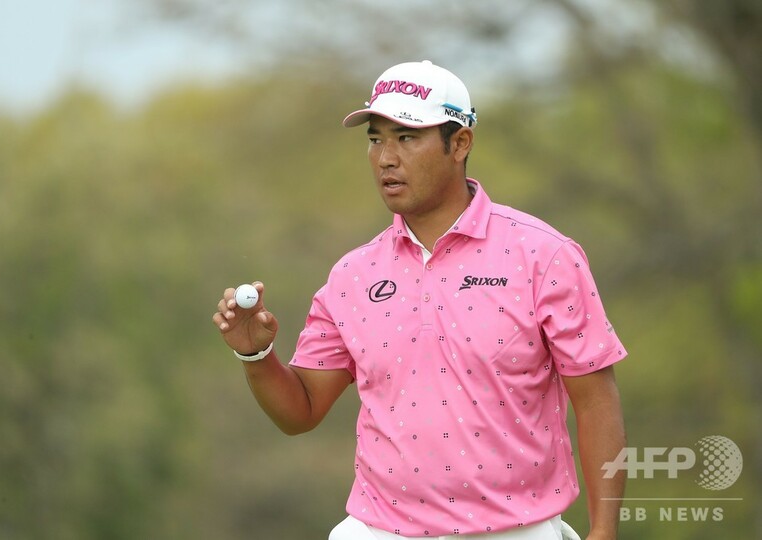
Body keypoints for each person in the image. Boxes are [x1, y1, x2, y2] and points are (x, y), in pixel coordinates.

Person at [213, 60, 627, 540]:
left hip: (516, 530)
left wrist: (603, 531)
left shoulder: (542, 255)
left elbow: (596, 402)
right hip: (377, 531)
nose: (386, 158)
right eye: (375, 140)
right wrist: (256, 355)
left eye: (407, 137)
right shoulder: (352, 276)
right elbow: (300, 412)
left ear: (460, 143)